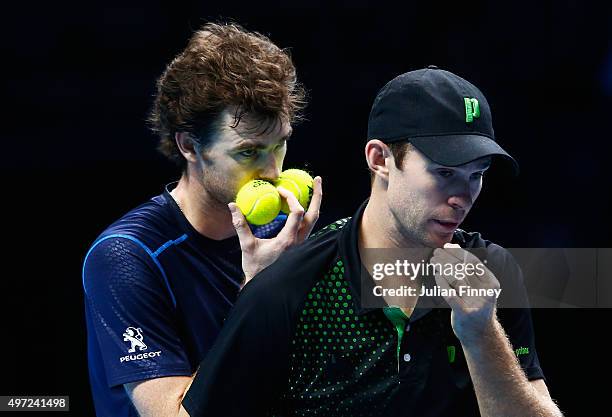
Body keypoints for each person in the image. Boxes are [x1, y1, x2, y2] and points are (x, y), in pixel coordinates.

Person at [181, 66, 564, 417]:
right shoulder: (289, 288)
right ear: (380, 158)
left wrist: (481, 334)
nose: (462, 197)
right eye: (444, 172)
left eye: (476, 175)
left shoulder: (491, 271)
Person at [82, 23, 322, 417]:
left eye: (280, 145)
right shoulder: (125, 257)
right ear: (190, 146)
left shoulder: (284, 232)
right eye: (248, 153)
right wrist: (258, 292)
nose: (272, 172)